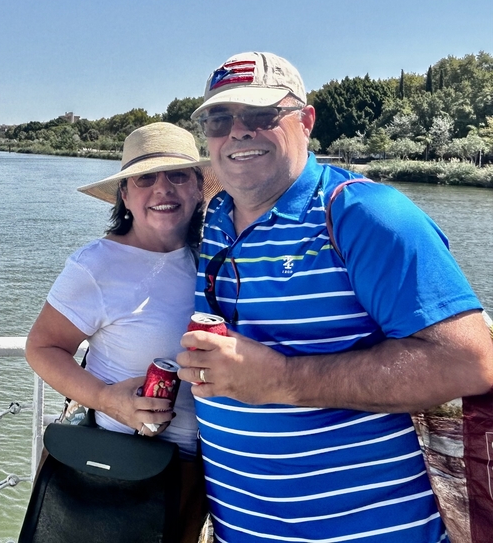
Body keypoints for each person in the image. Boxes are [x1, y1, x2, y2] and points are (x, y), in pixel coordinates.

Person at [176, 51, 493, 542]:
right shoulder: (214, 218)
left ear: (305, 121)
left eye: (261, 115)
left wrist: (281, 379)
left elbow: (467, 362)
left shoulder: (364, 213)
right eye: (219, 119)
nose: (238, 131)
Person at [25, 121, 219, 543]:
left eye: (178, 176)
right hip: (116, 470)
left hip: (199, 474)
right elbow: (42, 347)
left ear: (198, 188)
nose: (162, 189)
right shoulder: (97, 265)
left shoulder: (214, 258)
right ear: (125, 195)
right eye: (145, 178)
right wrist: (108, 400)